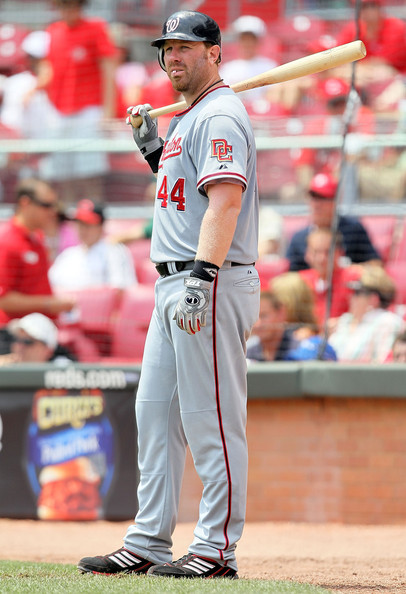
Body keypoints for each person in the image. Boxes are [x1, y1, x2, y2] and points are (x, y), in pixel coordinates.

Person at [78, 10, 260, 580]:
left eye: (186, 47)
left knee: (210, 419)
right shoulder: (191, 116)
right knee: (154, 414)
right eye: (167, 48)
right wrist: (151, 144)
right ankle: (150, 540)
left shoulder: (222, 113)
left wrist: (202, 278)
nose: (174, 57)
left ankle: (216, 548)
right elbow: (181, 191)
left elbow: (225, 201)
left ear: (213, 52)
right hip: (171, 280)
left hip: (209, 277)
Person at [36, 0, 118, 202]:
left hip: (89, 110)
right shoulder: (53, 31)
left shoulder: (96, 27)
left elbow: (108, 70)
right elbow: (49, 68)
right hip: (58, 111)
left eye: (72, 5)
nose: (68, 10)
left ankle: (94, 219)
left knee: (90, 174)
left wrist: (108, 113)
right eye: (63, 5)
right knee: (62, 176)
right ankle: (69, 225)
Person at [0, 177, 76, 328]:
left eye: (54, 205)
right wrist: (48, 304)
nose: (53, 212)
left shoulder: (38, 236)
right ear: (25, 203)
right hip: (17, 337)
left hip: (40, 332)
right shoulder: (7, 241)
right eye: (46, 205)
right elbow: (3, 300)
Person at [286, 172, 381, 271]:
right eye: (313, 197)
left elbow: (376, 265)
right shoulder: (299, 238)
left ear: (335, 201)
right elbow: (290, 275)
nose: (317, 204)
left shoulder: (353, 229)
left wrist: (347, 270)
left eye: (323, 198)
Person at [49, 199, 136, 290]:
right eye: (80, 224)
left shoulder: (114, 252)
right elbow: (51, 285)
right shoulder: (68, 255)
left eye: (88, 224)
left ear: (101, 226)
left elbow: (121, 290)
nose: (83, 229)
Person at [329, 265, 404, 363]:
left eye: (357, 293)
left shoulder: (387, 322)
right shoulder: (345, 320)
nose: (351, 297)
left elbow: (383, 365)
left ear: (374, 299)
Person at [299, 227, 358, 326]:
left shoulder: (353, 279)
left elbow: (365, 315)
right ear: (307, 254)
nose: (321, 258)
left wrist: (341, 323)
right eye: (316, 252)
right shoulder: (301, 281)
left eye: (327, 252)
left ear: (340, 252)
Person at [220, 15, 277, 103]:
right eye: (244, 39)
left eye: (251, 39)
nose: (247, 44)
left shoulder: (269, 66)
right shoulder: (228, 69)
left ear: (258, 41)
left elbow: (274, 97)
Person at [0, 312, 76, 366]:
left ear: (48, 351)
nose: (19, 346)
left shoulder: (62, 369)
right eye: (16, 340)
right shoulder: (7, 366)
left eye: (27, 342)